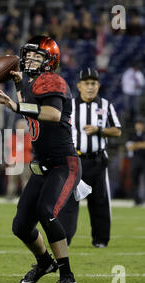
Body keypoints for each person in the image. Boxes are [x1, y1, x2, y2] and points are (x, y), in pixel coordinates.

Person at [0, 36, 81, 283]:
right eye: (29, 56)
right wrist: (20, 87)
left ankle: (68, 276)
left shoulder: (52, 80)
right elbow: (31, 108)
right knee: (21, 226)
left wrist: (17, 103)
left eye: (37, 57)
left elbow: (53, 114)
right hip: (42, 165)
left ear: (50, 61)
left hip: (63, 163)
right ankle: (44, 262)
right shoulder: (33, 84)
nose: (30, 60)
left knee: (47, 211)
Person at [58, 68, 122, 248]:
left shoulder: (106, 105)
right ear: (79, 86)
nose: (90, 87)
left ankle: (100, 240)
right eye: (86, 83)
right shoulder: (69, 105)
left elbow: (117, 130)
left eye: (93, 83)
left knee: (100, 202)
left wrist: (99, 130)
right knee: (68, 203)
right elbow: (60, 130)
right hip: (74, 161)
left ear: (98, 85)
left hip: (97, 160)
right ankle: (65, 240)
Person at [6, 118, 33, 200]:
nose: (20, 128)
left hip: (25, 161)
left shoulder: (28, 137)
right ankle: (10, 196)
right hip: (14, 161)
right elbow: (10, 146)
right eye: (19, 127)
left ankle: (26, 197)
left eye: (22, 127)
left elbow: (29, 147)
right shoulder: (13, 137)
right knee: (12, 181)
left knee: (25, 180)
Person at [126, 118, 145, 206]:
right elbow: (129, 147)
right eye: (137, 124)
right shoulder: (131, 135)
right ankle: (137, 200)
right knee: (134, 180)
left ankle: (142, 198)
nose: (138, 126)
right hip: (135, 160)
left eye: (140, 124)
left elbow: (133, 146)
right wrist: (140, 145)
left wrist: (136, 145)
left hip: (143, 159)